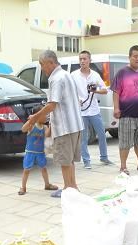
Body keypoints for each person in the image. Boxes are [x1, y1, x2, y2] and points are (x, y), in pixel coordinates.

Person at [24, 50, 83, 198]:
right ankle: (73, 187)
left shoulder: (56, 78)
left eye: (42, 64)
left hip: (64, 127)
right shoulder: (67, 74)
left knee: (65, 161)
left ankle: (68, 190)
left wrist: (34, 118)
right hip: (75, 124)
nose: (42, 68)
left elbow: (52, 105)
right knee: (69, 160)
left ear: (51, 62)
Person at [112, 45, 138, 173]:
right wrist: (116, 108)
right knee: (125, 142)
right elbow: (116, 92)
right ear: (129, 57)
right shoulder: (122, 73)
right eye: (135, 56)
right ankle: (123, 166)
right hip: (127, 115)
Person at [71, 50, 113, 169]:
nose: (82, 61)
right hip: (81, 111)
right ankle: (86, 161)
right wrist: (76, 99)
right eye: (80, 59)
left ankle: (104, 157)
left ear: (90, 60)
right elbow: (69, 90)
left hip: (94, 110)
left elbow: (105, 90)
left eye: (85, 59)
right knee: (83, 137)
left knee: (102, 134)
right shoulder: (73, 75)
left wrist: (95, 91)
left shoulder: (95, 75)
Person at [18, 105, 58, 195]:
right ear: (38, 115)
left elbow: (48, 134)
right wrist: (31, 120)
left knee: (44, 168)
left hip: (40, 152)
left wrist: (51, 124)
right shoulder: (32, 125)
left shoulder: (44, 127)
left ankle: (47, 184)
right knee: (26, 170)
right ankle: (23, 187)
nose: (46, 117)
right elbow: (23, 129)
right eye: (45, 114)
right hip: (30, 152)